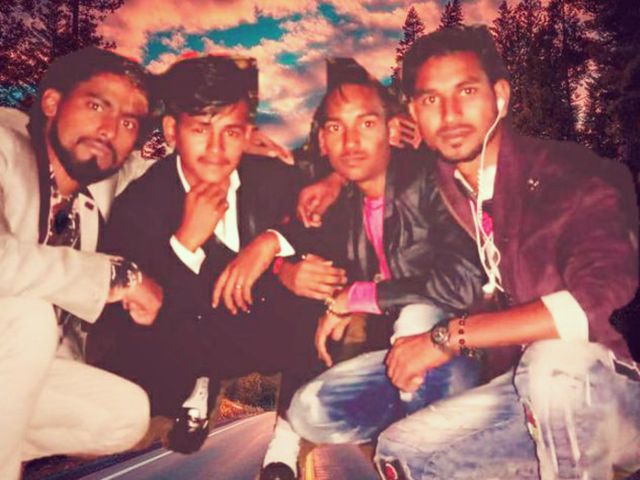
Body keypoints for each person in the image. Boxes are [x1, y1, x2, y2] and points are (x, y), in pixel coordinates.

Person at [370, 26, 639, 480]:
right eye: (431, 99)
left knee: (553, 364)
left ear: (500, 96)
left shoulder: (569, 174)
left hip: (607, 391)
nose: (450, 114)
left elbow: (589, 304)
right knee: (402, 451)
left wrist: (447, 338)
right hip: (521, 395)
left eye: (466, 91)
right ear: (414, 112)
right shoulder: (444, 191)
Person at [87, 55, 325, 480]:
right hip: (188, 332)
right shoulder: (139, 205)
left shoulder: (273, 177)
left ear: (246, 133)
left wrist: (273, 244)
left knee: (317, 288)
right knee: (147, 367)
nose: (216, 150)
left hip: (264, 321)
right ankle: (199, 380)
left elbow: (332, 216)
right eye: (200, 129)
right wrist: (184, 244)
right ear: (172, 131)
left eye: (230, 132)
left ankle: (285, 442)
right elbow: (124, 320)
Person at [223, 70, 485, 454]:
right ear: (323, 142)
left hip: (467, 338)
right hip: (404, 355)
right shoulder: (343, 203)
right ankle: (420, 412)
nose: (350, 141)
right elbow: (307, 237)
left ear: (392, 130)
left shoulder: (431, 180)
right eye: (336, 128)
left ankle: (421, 450)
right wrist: (273, 252)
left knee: (416, 317)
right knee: (307, 411)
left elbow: (460, 284)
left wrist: (357, 297)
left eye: (366, 123)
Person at [0, 47, 164, 480]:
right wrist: (115, 276)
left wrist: (241, 151)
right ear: (52, 104)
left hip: (16, 370)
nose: (109, 129)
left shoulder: (100, 182)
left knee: (122, 414)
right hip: (14, 334)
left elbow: (181, 167)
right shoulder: (3, 145)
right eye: (96, 106)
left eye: (128, 122)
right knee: (29, 317)